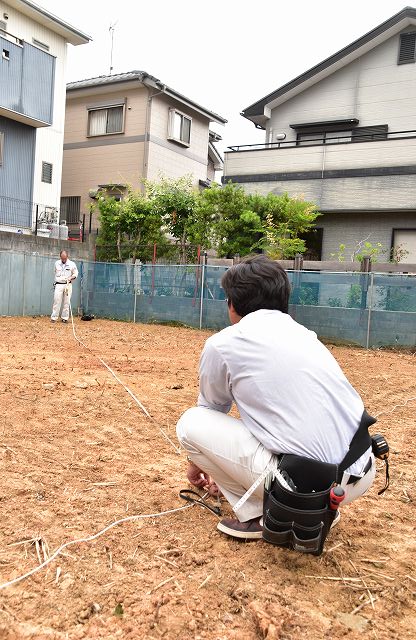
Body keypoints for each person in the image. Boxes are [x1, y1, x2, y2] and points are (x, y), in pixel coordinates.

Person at [176, 255, 376, 540]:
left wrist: (201, 464)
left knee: (190, 422)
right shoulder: (305, 335)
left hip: (306, 482)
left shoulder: (223, 344)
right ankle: (315, 507)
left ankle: (265, 513)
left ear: (233, 303)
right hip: (360, 471)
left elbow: (211, 409)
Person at [51, 250, 78, 323]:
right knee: (56, 301)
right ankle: (54, 317)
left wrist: (71, 278)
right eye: (62, 258)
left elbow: (75, 274)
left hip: (67, 284)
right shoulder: (56, 263)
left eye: (65, 258)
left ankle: (65, 318)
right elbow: (54, 272)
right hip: (58, 284)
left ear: (67, 257)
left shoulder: (72, 264)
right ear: (60, 257)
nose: (63, 260)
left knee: (67, 302)